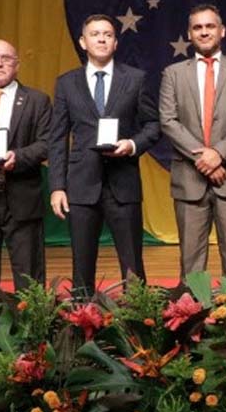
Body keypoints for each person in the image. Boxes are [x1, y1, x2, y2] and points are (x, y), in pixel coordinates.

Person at [49, 15, 160, 294]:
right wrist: (57, 187)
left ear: (115, 43)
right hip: (81, 185)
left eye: (108, 34)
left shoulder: (135, 79)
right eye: (95, 34)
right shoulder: (66, 83)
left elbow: (153, 124)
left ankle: (138, 316)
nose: (101, 39)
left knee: (133, 267)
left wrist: (132, 144)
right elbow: (57, 138)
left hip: (123, 184)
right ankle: (81, 317)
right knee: (82, 266)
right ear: (82, 42)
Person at [159, 4, 226, 283]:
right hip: (189, 180)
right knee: (190, 265)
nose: (204, 32)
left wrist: (218, 153)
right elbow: (168, 120)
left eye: (210, 26)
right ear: (189, 34)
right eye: (197, 27)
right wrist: (204, 159)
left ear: (222, 31)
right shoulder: (172, 73)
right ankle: (193, 310)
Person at [0, 40, 51, 290]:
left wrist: (18, 156)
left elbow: (47, 143)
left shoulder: (37, 100)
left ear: (17, 64)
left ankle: (31, 317)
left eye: (6, 58)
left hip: (22, 196)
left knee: (30, 280)